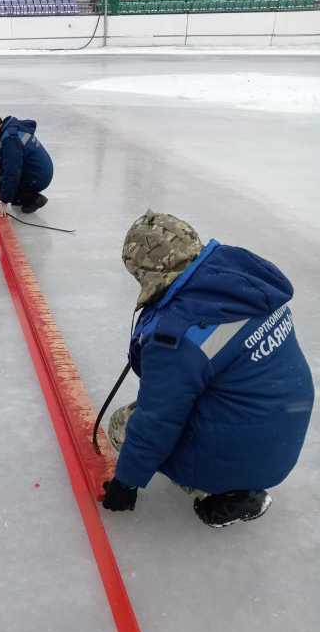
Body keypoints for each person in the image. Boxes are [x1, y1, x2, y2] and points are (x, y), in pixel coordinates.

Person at [102, 211, 315, 528]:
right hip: (285, 437)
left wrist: (126, 482)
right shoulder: (243, 282)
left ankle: (221, 492)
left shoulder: (176, 334)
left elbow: (156, 421)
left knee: (123, 425)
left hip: (247, 453)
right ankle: (239, 475)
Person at [0, 111, 53, 216]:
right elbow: (8, 165)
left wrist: (4, 202)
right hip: (40, 171)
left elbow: (12, 171)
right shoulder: (10, 129)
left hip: (38, 177)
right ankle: (23, 196)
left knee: (3, 188)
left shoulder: (10, 139)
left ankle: (35, 198)